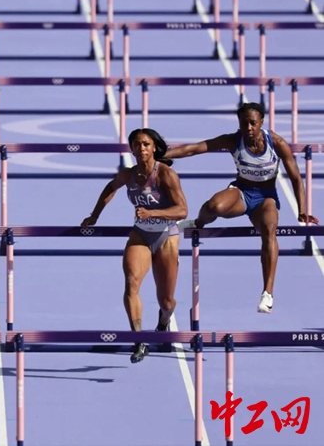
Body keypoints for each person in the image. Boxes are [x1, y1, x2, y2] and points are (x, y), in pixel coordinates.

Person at [165, 102, 318, 314]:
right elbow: (195, 148)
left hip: (265, 198)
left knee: (270, 230)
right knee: (213, 206)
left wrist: (302, 209)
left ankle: (267, 294)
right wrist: (164, 155)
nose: (248, 128)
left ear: (261, 122)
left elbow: (296, 179)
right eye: (244, 123)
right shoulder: (233, 140)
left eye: (252, 123)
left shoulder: (277, 143)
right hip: (242, 193)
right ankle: (197, 223)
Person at [82, 128, 188, 363]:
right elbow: (110, 188)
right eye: (137, 145)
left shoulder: (166, 175)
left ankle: (163, 322)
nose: (142, 148)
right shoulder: (128, 175)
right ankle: (139, 339)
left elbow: (182, 210)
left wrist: (152, 213)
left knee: (167, 301)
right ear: (131, 149)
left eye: (146, 144)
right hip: (140, 235)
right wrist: (94, 216)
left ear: (154, 148)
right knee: (131, 283)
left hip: (166, 237)